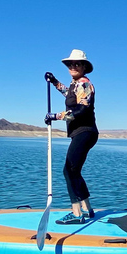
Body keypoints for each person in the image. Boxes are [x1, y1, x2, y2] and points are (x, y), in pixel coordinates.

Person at [45, 49, 99, 225]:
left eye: (77, 64)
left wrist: (56, 116)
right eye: (70, 64)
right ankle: (88, 209)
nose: (73, 66)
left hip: (85, 131)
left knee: (68, 170)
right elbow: (69, 94)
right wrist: (54, 82)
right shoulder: (76, 85)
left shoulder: (84, 84)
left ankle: (76, 213)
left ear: (84, 66)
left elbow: (81, 109)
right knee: (74, 171)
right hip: (82, 133)